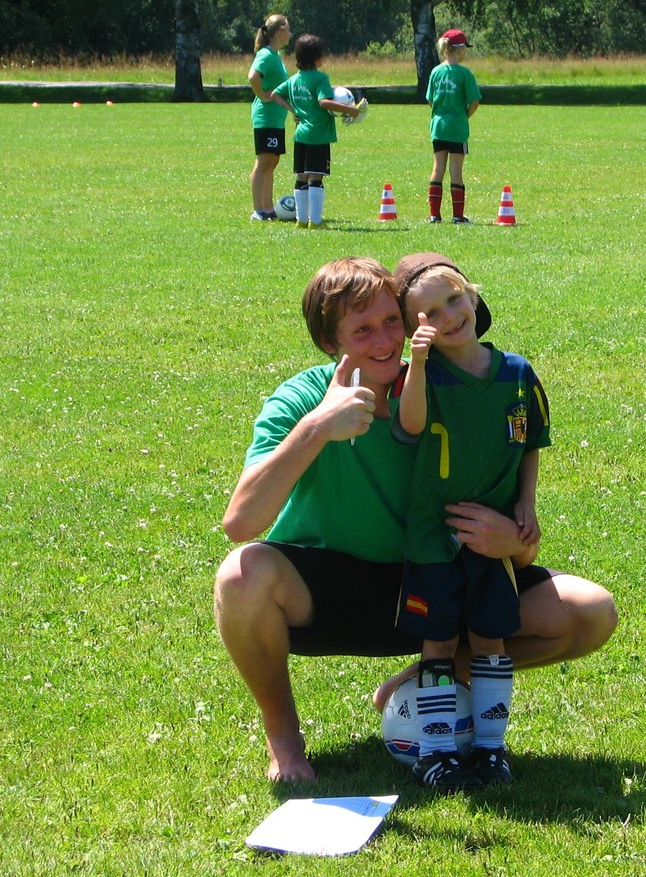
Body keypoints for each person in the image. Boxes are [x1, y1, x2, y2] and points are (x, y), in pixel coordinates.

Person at [214, 256, 618, 783]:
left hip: (436, 582)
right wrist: (317, 428)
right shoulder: (301, 398)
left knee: (591, 612)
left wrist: (511, 542)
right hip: (331, 592)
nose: (384, 341)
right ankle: (286, 744)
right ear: (329, 344)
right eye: (361, 330)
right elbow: (241, 522)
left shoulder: (440, 392)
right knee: (241, 576)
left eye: (391, 322)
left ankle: (425, 680)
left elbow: (517, 537)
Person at [391, 253, 548, 790]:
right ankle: (436, 752)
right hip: (434, 536)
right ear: (417, 328)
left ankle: (490, 748)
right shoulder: (427, 377)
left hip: (491, 537)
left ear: (474, 295)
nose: (448, 315)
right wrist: (415, 364)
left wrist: (526, 502)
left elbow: (530, 443)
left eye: (453, 298)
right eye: (429, 312)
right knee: (436, 643)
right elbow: (410, 425)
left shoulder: (517, 374)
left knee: (490, 639)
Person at [268, 35, 360, 227]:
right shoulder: (320, 78)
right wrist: (351, 109)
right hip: (318, 135)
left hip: (300, 134)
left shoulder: (294, 80)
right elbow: (324, 102)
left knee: (301, 176)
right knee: (316, 177)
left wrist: (292, 110)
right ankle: (316, 221)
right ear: (317, 57)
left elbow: (275, 94)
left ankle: (301, 221)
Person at [425, 29, 481, 224]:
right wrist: (464, 116)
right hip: (457, 126)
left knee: (437, 168)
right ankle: (457, 216)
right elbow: (474, 102)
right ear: (459, 49)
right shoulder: (465, 74)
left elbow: (430, 100)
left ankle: (434, 215)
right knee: (456, 170)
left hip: (438, 126)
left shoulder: (435, 71)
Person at [248, 14, 292, 222]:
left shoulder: (276, 55)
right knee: (264, 161)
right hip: (265, 117)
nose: (291, 33)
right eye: (288, 29)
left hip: (276, 117)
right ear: (280, 31)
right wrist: (261, 95)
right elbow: (253, 76)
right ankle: (258, 210)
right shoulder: (265, 54)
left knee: (272, 161)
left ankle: (268, 208)